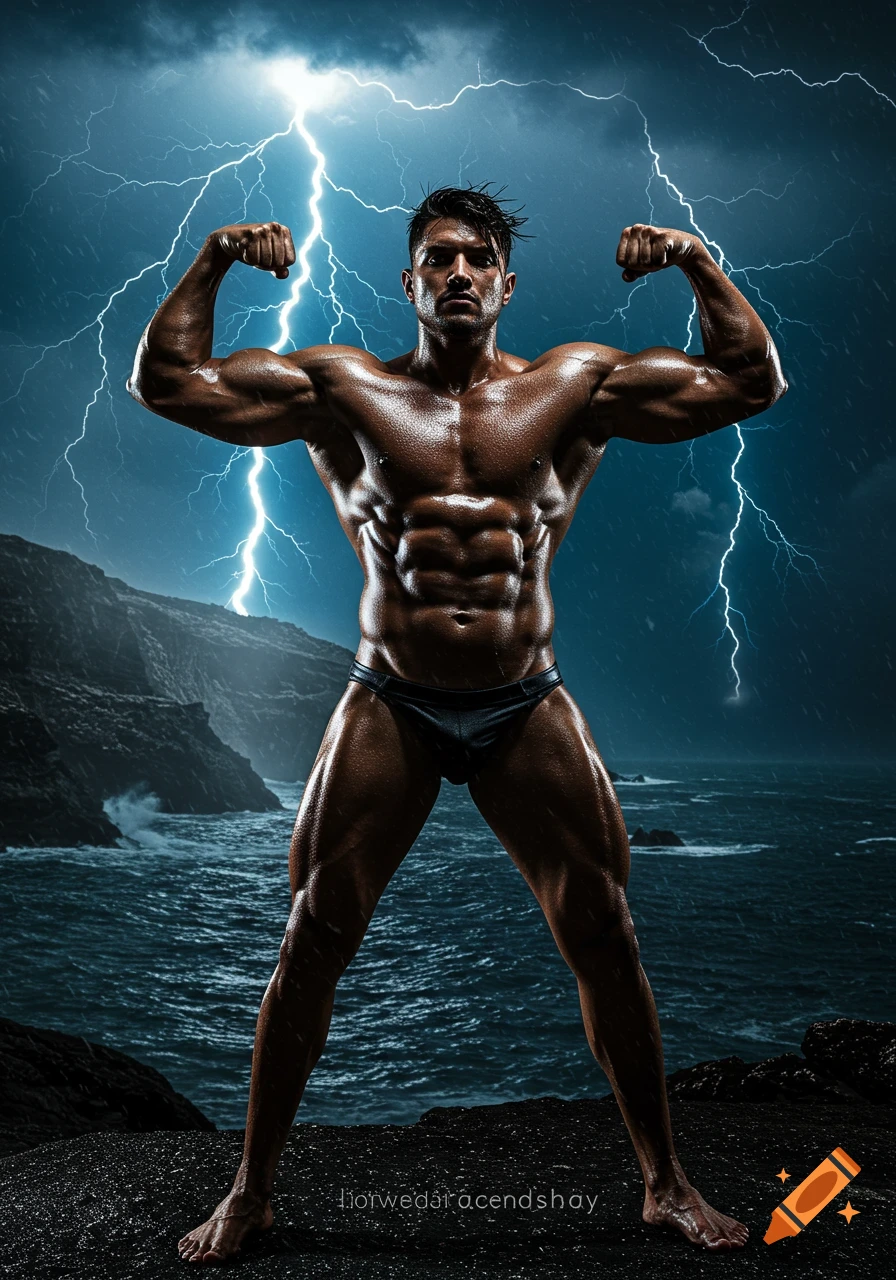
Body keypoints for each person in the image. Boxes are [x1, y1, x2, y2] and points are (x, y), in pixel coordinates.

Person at [128, 184, 786, 1263]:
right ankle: (250, 1191)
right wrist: (210, 261)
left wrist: (692, 259)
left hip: (522, 697)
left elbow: (747, 380)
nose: (459, 274)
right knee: (314, 933)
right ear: (410, 281)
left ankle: (662, 1182)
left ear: (506, 281)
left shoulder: (573, 383)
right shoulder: (342, 385)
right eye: (438, 259)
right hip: (390, 694)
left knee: (604, 934)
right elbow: (167, 383)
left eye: (477, 258)